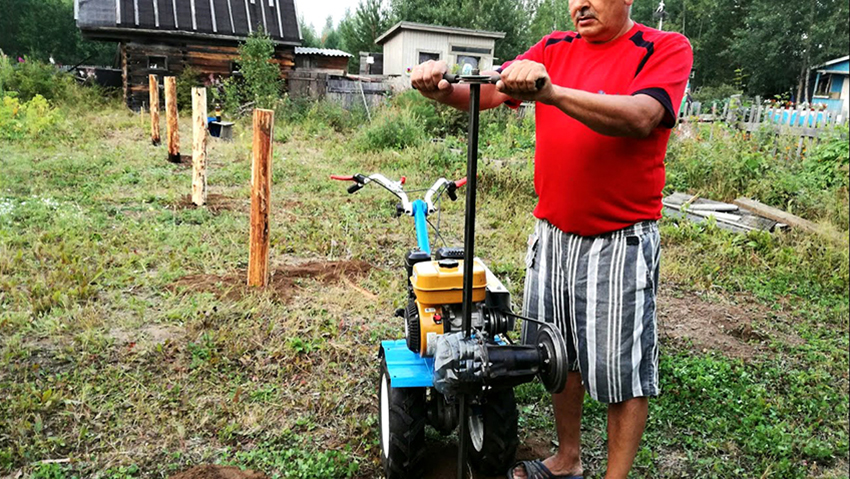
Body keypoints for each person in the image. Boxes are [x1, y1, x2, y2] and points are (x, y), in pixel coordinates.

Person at [410, 0, 693, 478]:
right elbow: (486, 93)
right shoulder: (552, 48)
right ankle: (568, 459)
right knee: (558, 356)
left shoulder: (662, 47)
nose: (580, 4)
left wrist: (554, 92)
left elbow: (643, 116)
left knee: (620, 371)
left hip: (618, 241)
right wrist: (440, 89)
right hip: (553, 233)